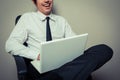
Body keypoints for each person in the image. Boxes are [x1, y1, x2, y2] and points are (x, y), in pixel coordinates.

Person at [5, 0, 113, 80]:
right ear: (35, 2)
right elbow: (11, 44)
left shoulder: (61, 21)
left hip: (65, 63)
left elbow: (74, 43)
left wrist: (75, 50)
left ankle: (59, 77)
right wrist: (37, 55)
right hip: (40, 66)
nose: (47, 0)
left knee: (105, 50)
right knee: (83, 74)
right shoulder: (27, 18)